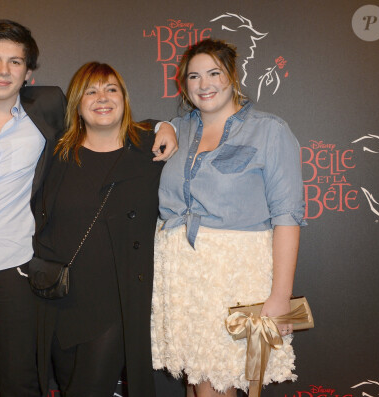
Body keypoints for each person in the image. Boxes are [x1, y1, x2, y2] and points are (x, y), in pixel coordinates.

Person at [0, 20, 177, 396]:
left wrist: (164, 125)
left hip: (17, 271)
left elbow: (105, 118)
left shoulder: (47, 106)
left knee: (22, 382)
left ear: (28, 72)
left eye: (15, 62)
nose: (4, 71)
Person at [151, 39, 306, 397]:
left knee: (216, 383)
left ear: (232, 76)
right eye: (194, 76)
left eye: (213, 73)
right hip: (182, 278)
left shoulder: (269, 130)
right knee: (196, 381)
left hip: (233, 277)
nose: (204, 84)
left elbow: (287, 218)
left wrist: (280, 296)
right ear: (184, 85)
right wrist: (167, 124)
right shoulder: (182, 128)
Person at [33, 62, 164, 397]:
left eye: (111, 89)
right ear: (77, 103)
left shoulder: (151, 150)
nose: (101, 98)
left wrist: (166, 125)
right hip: (58, 299)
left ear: (124, 98)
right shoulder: (56, 154)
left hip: (115, 303)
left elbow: (198, 126)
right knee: (66, 386)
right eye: (91, 91)